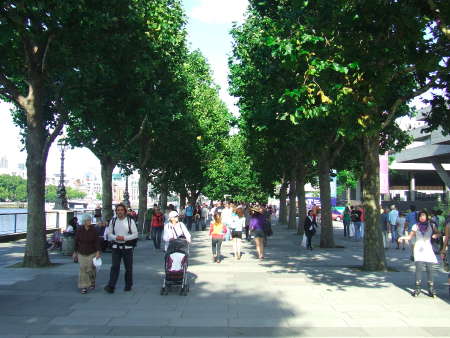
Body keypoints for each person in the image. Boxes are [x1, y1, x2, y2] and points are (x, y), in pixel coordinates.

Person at [398, 210, 441, 297]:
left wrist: (436, 235)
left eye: (424, 215)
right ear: (418, 217)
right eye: (421, 216)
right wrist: (402, 237)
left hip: (428, 248)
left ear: (427, 216)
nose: (422, 217)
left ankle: (431, 288)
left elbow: (439, 233)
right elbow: (410, 237)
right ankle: (417, 288)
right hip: (418, 249)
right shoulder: (415, 226)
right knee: (418, 268)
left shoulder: (431, 225)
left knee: (430, 269)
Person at [104, 203, 138, 293]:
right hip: (116, 247)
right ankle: (111, 285)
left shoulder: (130, 221)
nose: (120, 212)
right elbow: (109, 233)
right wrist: (115, 237)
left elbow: (135, 234)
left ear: (125, 211)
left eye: (121, 210)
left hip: (127, 247)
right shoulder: (113, 221)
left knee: (128, 267)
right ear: (116, 212)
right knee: (115, 266)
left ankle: (128, 285)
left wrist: (124, 238)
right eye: (118, 210)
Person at [73, 214, 101, 294]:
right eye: (88, 220)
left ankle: (92, 281)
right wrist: (75, 252)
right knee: (82, 268)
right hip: (81, 252)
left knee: (91, 269)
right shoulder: (79, 230)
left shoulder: (94, 230)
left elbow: (97, 241)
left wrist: (98, 252)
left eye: (90, 220)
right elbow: (76, 241)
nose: (90, 222)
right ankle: (83, 286)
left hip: (92, 251)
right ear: (84, 222)